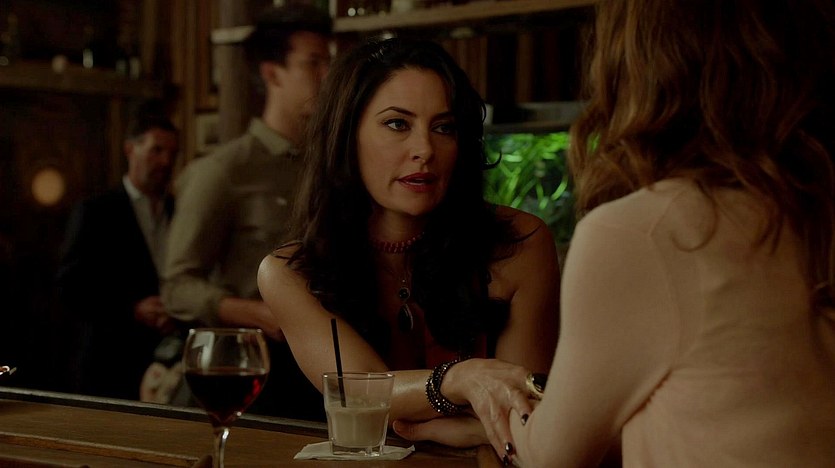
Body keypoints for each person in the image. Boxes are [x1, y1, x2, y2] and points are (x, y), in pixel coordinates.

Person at [474, 0, 835, 466]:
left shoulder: (644, 231)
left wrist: (476, 414)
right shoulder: (813, 210)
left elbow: (551, 456)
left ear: (637, 65)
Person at [257, 37, 560, 462]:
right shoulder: (289, 272)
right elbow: (358, 393)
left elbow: (521, 416)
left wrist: (460, 422)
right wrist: (457, 380)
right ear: (347, 135)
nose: (425, 150)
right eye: (398, 124)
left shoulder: (520, 244)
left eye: (444, 127)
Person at [161, 3, 332, 420]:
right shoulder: (224, 171)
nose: (328, 75)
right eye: (313, 63)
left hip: (329, 367)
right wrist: (255, 312)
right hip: (255, 371)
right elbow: (178, 287)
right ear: (272, 74)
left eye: (330, 62)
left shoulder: (335, 166)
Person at [57, 113, 180, 400]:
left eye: (172, 153)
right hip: (109, 361)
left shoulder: (179, 209)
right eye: (156, 150)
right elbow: (69, 285)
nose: (166, 161)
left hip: (166, 361)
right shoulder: (96, 211)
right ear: (130, 149)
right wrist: (132, 308)